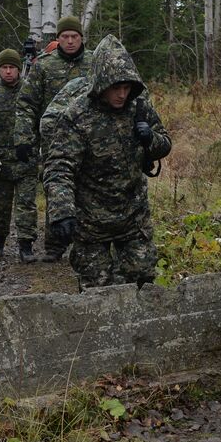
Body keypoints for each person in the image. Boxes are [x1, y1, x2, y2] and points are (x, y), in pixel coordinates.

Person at [43, 36, 171, 289]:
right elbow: (60, 166)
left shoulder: (138, 106)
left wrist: (150, 139)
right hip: (91, 222)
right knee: (97, 291)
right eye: (116, 88)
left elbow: (164, 144)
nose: (122, 94)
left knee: (142, 282)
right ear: (102, 84)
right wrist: (61, 212)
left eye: (126, 87)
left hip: (133, 218)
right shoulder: (78, 115)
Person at [14, 16, 92, 261]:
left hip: (90, 139)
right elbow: (26, 104)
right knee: (57, 190)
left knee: (90, 191)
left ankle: (88, 244)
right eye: (65, 37)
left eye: (74, 37)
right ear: (57, 39)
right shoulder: (44, 66)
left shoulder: (95, 63)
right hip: (54, 142)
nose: (70, 41)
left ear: (81, 38)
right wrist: (24, 138)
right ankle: (55, 245)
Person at [0, 49, 38, 259]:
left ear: (19, 70)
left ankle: (26, 245)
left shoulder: (31, 93)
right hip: (1, 163)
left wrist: (36, 150)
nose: (9, 72)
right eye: (5, 68)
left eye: (12, 68)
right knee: (0, 207)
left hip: (26, 161)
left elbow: (41, 124)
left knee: (26, 206)